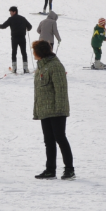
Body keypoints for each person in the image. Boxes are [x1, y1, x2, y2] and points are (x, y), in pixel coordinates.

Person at [32, 40, 73, 179]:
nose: (33, 53)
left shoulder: (56, 66)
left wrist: (60, 109)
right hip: (45, 110)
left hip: (56, 110)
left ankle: (69, 169)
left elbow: (61, 89)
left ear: (40, 52)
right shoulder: (41, 67)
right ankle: (50, 170)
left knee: (60, 138)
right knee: (48, 141)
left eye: (34, 51)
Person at [0, 6, 33, 73]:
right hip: (22, 38)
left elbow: (4, 26)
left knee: (14, 52)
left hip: (14, 38)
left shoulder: (11, 19)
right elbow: (30, 27)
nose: (10, 13)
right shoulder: (23, 18)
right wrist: (27, 29)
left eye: (10, 12)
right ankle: (25, 68)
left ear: (14, 12)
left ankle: (14, 68)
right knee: (24, 52)